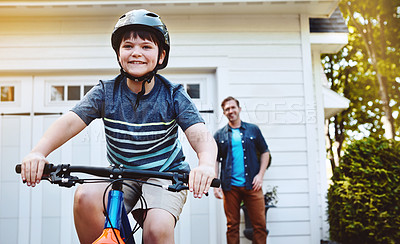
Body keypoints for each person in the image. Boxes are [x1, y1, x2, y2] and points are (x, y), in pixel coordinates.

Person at [20, 9, 217, 244]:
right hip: (123, 174)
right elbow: (69, 121)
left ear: (161, 56)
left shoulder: (172, 94)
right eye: (128, 46)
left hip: (164, 175)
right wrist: (38, 152)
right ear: (118, 53)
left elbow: (200, 136)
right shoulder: (106, 92)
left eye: (146, 47)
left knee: (156, 229)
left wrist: (205, 164)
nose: (136, 53)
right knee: (84, 198)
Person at [214, 96, 271, 244]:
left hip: (253, 184)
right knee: (232, 226)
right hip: (230, 186)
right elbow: (216, 159)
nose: (230, 111)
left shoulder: (253, 130)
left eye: (233, 107)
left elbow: (265, 152)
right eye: (227, 109)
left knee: (260, 225)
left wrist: (260, 175)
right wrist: (216, 184)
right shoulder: (219, 135)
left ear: (239, 109)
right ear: (224, 113)